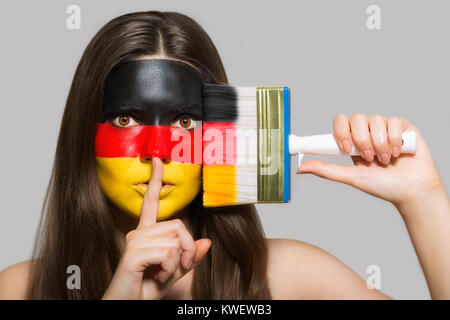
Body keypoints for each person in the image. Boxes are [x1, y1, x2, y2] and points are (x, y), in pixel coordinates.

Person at [0, 11, 448, 300]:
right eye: (126, 121)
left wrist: (423, 200)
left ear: (221, 134)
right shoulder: (18, 289)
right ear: (85, 138)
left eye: (183, 122)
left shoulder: (290, 277)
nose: (158, 153)